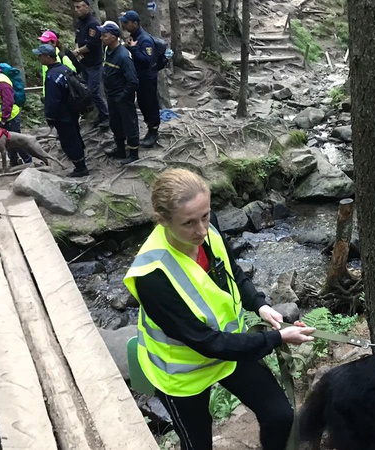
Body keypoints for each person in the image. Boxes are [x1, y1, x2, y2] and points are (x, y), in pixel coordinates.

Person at [123, 168, 314, 450]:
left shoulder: (207, 229)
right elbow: (206, 342)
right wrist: (276, 338)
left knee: (279, 416)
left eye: (205, 216)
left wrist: (260, 305)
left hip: (229, 348)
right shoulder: (152, 277)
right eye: (189, 223)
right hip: (182, 373)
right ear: (162, 220)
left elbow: (231, 272)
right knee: (197, 445)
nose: (202, 230)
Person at [34, 44, 88, 177]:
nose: (38, 58)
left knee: (68, 140)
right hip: (72, 109)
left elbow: (53, 100)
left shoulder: (52, 76)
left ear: (48, 57)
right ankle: (81, 161)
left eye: (40, 55)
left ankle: (80, 168)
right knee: (75, 135)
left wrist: (50, 117)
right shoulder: (64, 69)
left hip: (62, 114)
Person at [98, 22, 140, 165]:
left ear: (114, 37)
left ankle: (133, 153)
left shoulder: (123, 56)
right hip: (111, 96)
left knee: (129, 124)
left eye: (105, 35)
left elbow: (133, 81)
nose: (101, 38)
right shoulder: (107, 51)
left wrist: (122, 97)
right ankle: (120, 149)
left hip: (122, 98)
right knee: (115, 123)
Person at [120, 10, 160, 148]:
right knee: (143, 104)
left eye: (126, 22)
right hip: (139, 77)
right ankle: (150, 130)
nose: (124, 25)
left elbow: (146, 61)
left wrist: (133, 49)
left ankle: (154, 132)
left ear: (135, 23)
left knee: (150, 104)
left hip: (148, 78)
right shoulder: (134, 37)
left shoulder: (145, 39)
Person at [73, 0, 109, 128]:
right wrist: (78, 50)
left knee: (94, 91)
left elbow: (93, 44)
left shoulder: (93, 24)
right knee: (88, 91)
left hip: (94, 64)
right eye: (75, 7)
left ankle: (106, 115)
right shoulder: (80, 23)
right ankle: (98, 115)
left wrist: (78, 51)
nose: (76, 10)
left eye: (79, 7)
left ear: (86, 7)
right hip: (84, 63)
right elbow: (77, 39)